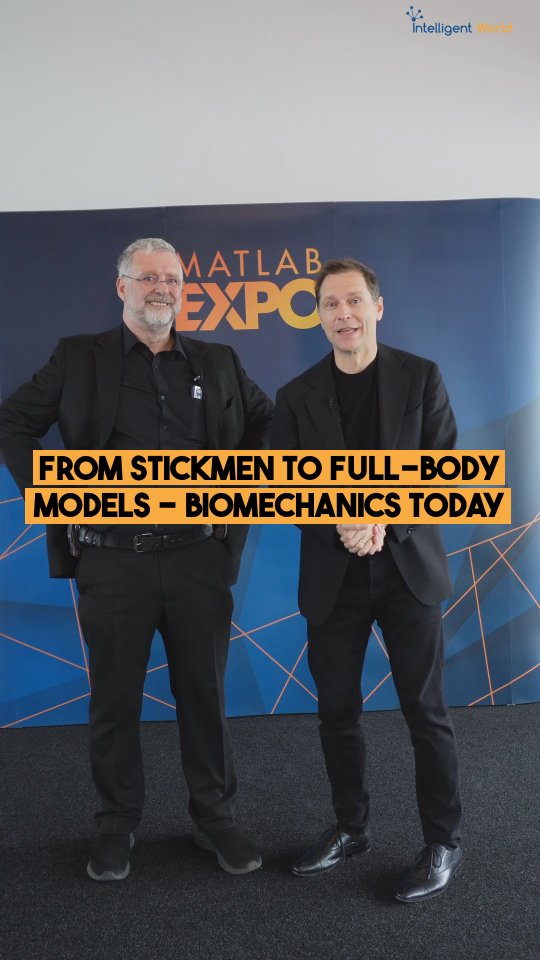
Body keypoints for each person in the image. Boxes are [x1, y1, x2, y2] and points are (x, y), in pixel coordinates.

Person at [0, 237, 273, 881]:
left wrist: (235, 500)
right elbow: (13, 423)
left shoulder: (219, 361)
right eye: (148, 278)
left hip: (198, 558)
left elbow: (268, 425)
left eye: (172, 279)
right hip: (112, 561)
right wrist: (60, 495)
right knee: (115, 700)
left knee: (205, 695)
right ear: (122, 286)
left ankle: (215, 817)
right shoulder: (78, 357)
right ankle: (116, 823)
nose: (162, 289)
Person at [271, 257, 462, 903]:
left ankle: (442, 842)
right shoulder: (296, 396)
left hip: (408, 569)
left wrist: (381, 518)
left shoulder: (421, 376)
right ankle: (352, 829)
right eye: (330, 304)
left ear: (378, 307)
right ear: (318, 316)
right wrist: (342, 522)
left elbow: (442, 467)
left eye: (354, 301)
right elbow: (284, 486)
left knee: (425, 712)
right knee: (336, 712)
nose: (343, 314)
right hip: (335, 577)